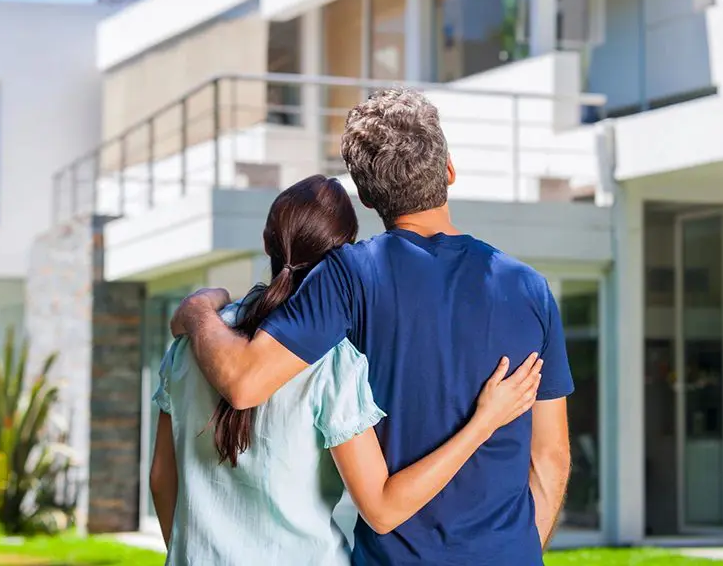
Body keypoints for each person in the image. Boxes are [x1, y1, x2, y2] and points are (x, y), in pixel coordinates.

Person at [172, 89, 574, 565]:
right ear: (448, 169)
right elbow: (550, 457)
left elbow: (243, 383)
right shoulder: (530, 289)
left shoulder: (348, 277)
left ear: (364, 196)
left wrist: (199, 311)